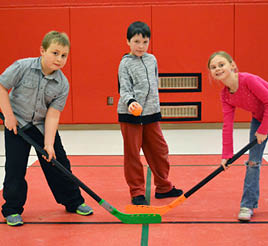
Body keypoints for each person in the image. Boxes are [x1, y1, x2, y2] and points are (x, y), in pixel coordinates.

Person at [0, 31, 93, 226]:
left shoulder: (62, 84)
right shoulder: (22, 67)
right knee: (15, 168)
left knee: (58, 162)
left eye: (64, 55)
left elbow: (52, 114)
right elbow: (1, 86)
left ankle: (73, 201)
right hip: (17, 124)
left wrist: (49, 144)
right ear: (42, 51)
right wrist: (8, 116)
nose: (59, 59)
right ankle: (12, 209)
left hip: (42, 126)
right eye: (55, 53)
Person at [117, 21, 183, 205]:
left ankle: (164, 187)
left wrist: (154, 108)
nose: (141, 46)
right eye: (136, 41)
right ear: (128, 41)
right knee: (132, 155)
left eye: (145, 42)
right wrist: (130, 103)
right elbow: (124, 89)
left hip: (151, 115)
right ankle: (137, 192)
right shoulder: (125, 64)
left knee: (160, 150)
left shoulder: (152, 59)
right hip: (131, 116)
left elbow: (153, 85)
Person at [208, 51, 268, 222]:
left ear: (232, 65)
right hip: (259, 118)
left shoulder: (247, 80)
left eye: (221, 64)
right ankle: (248, 205)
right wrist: (226, 155)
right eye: (213, 67)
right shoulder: (225, 95)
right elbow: (227, 125)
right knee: (253, 162)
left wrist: (264, 129)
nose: (217, 69)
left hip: (265, 118)